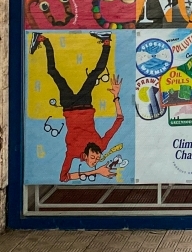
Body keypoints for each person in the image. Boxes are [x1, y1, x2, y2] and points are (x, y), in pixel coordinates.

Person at [31, 32, 124, 182]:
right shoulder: (101, 145)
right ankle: (106, 41)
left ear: (85, 157)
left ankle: (43, 39)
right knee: (94, 74)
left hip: (68, 106)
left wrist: (95, 171)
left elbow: (63, 177)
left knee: (53, 72)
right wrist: (116, 96)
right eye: (97, 157)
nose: (96, 156)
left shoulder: (72, 152)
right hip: (85, 104)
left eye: (93, 158)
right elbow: (119, 120)